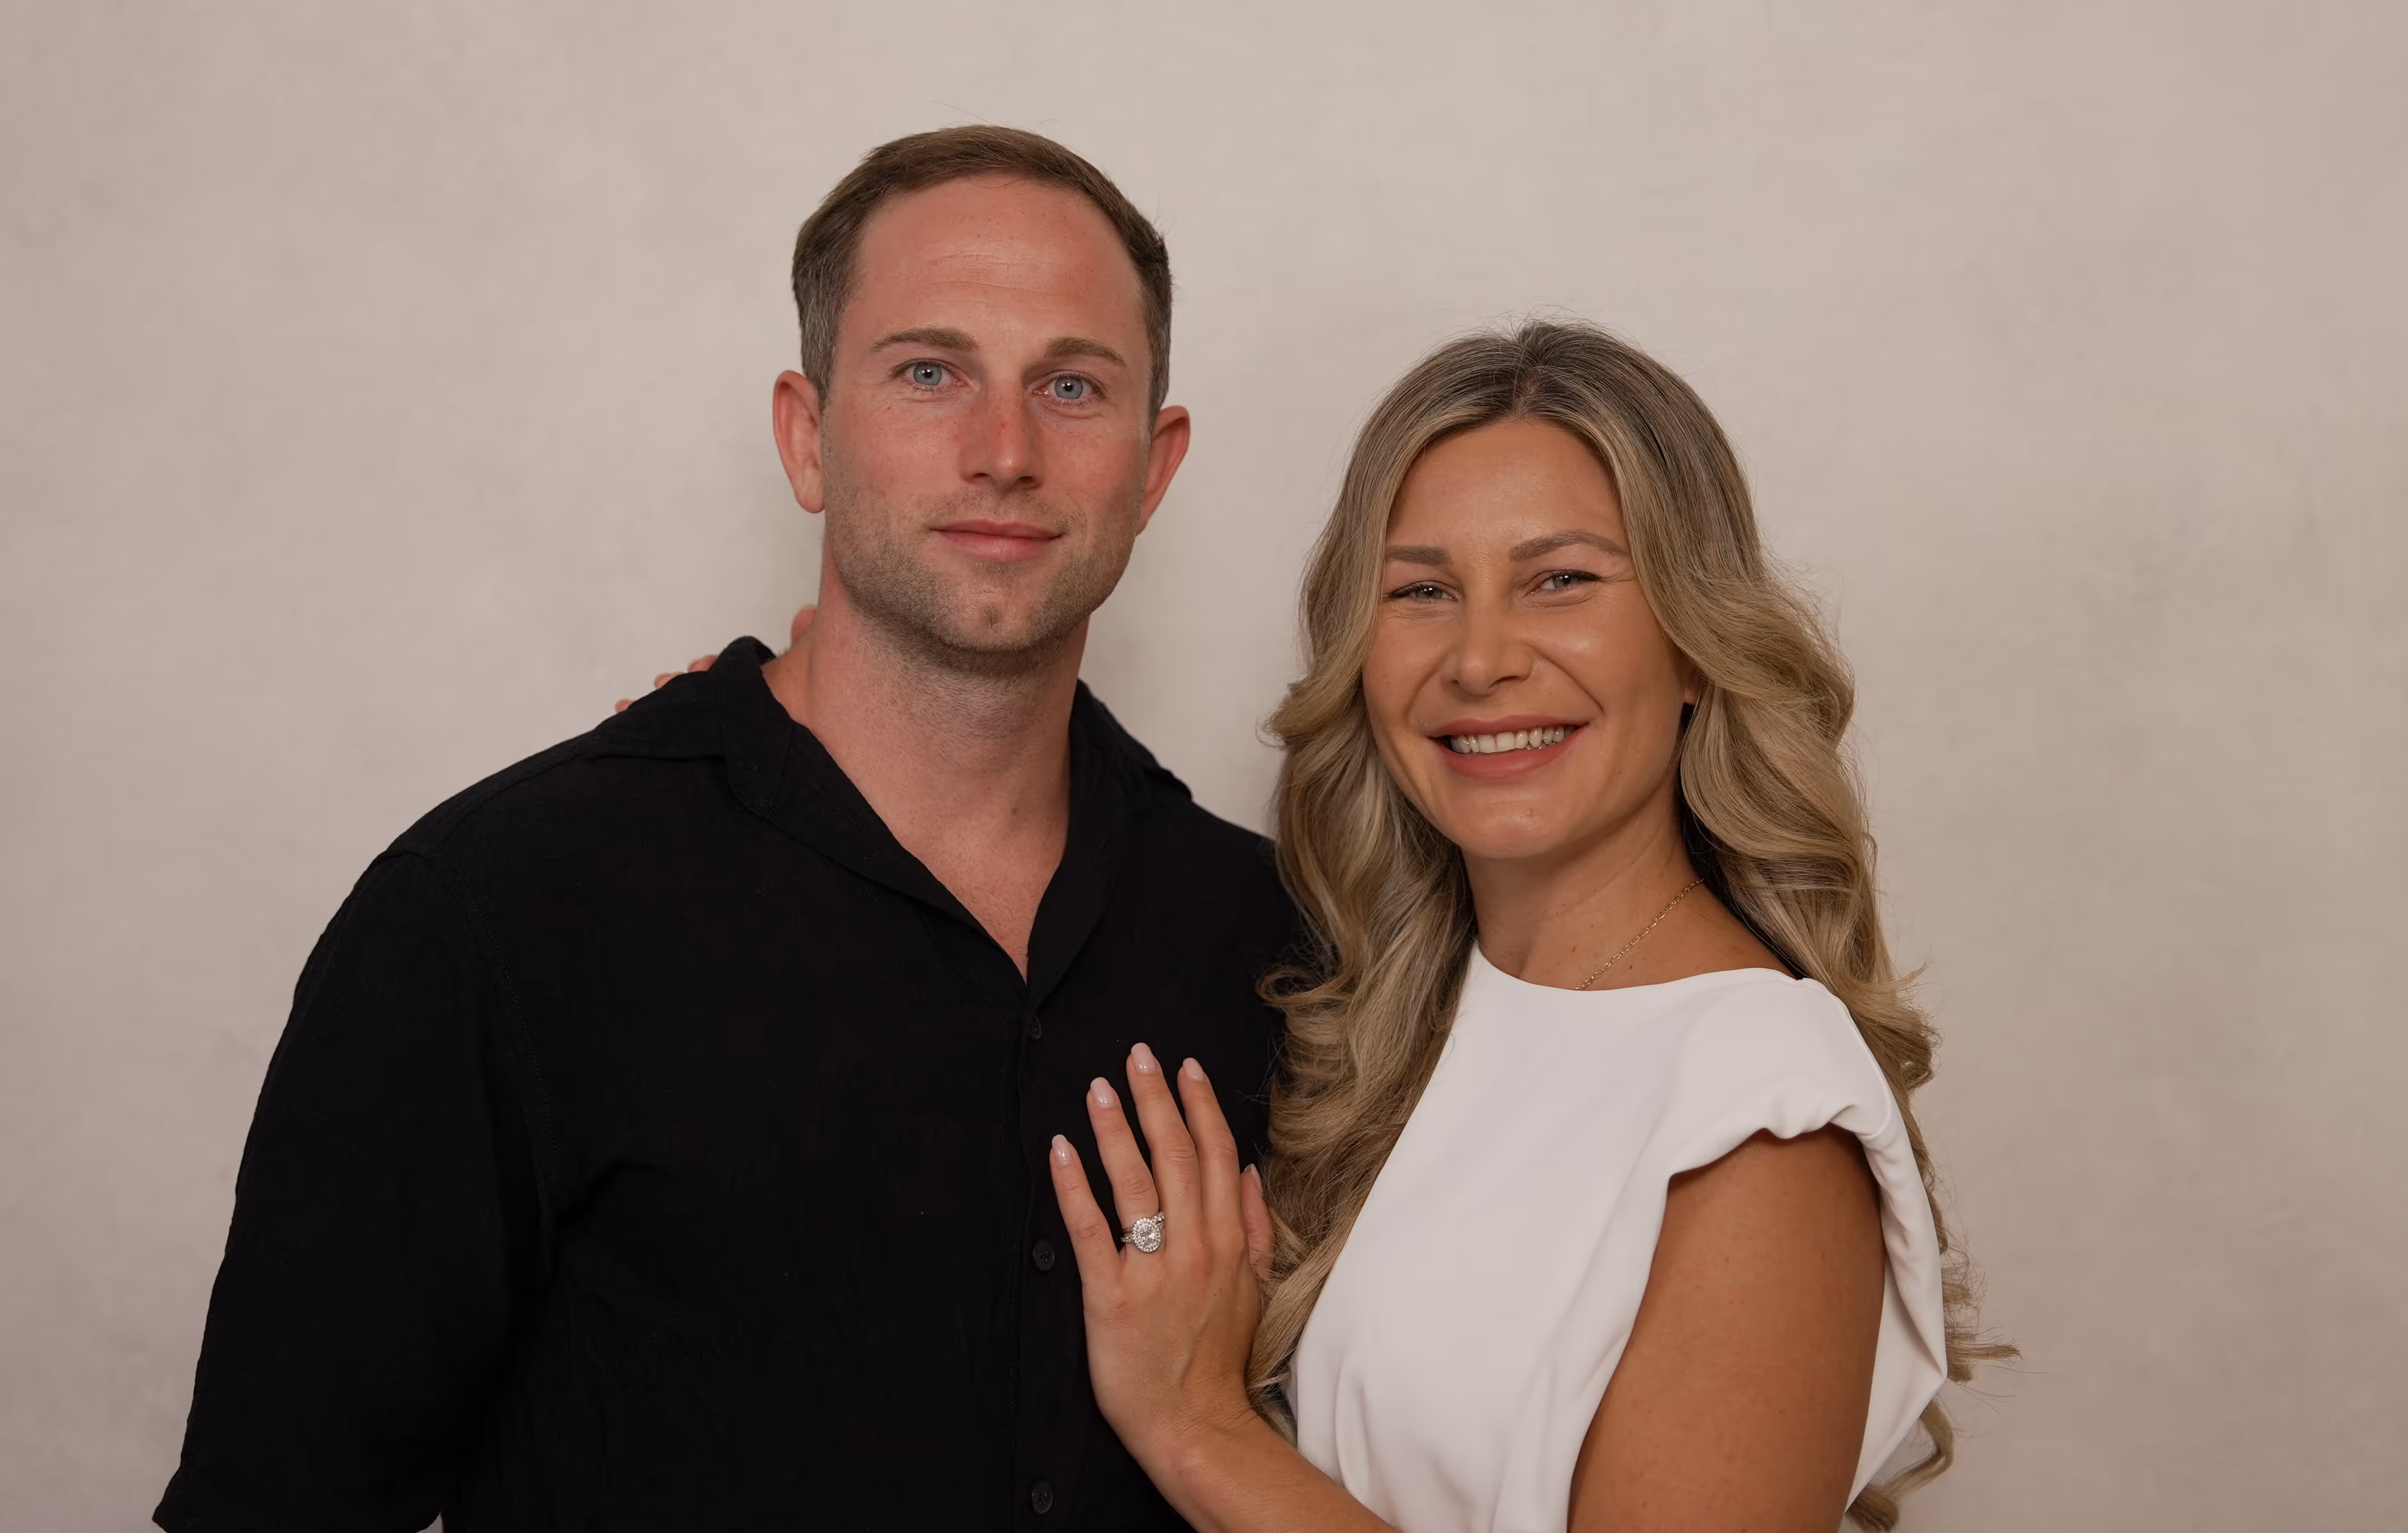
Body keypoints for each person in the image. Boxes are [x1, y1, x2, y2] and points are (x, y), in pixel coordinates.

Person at [155, 127, 1301, 1531]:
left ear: (1153, 464)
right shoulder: (494, 918)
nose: (1003, 451)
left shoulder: (1263, 938)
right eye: (929, 372)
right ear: (807, 437)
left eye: (1071, 385)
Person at [1019, 321, 2009, 1531]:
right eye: (1422, 590)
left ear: (1694, 647)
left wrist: (1197, 1428)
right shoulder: (1394, 1011)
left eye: (1561, 580)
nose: (1480, 659)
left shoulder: (1760, 1109)